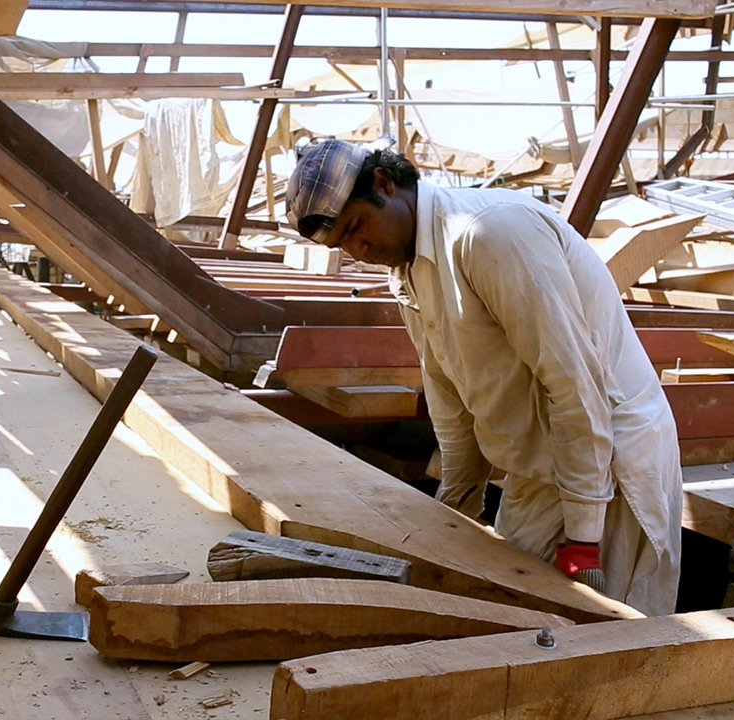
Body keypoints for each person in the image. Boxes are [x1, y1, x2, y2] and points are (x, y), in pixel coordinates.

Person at [285, 139, 682, 616]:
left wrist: (583, 538)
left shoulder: (489, 234)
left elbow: (576, 385)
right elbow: (450, 399)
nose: (358, 249)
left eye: (356, 228)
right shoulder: (409, 272)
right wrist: (453, 514)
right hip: (539, 467)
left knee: (607, 642)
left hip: (612, 465)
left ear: (384, 185)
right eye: (341, 245)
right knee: (513, 615)